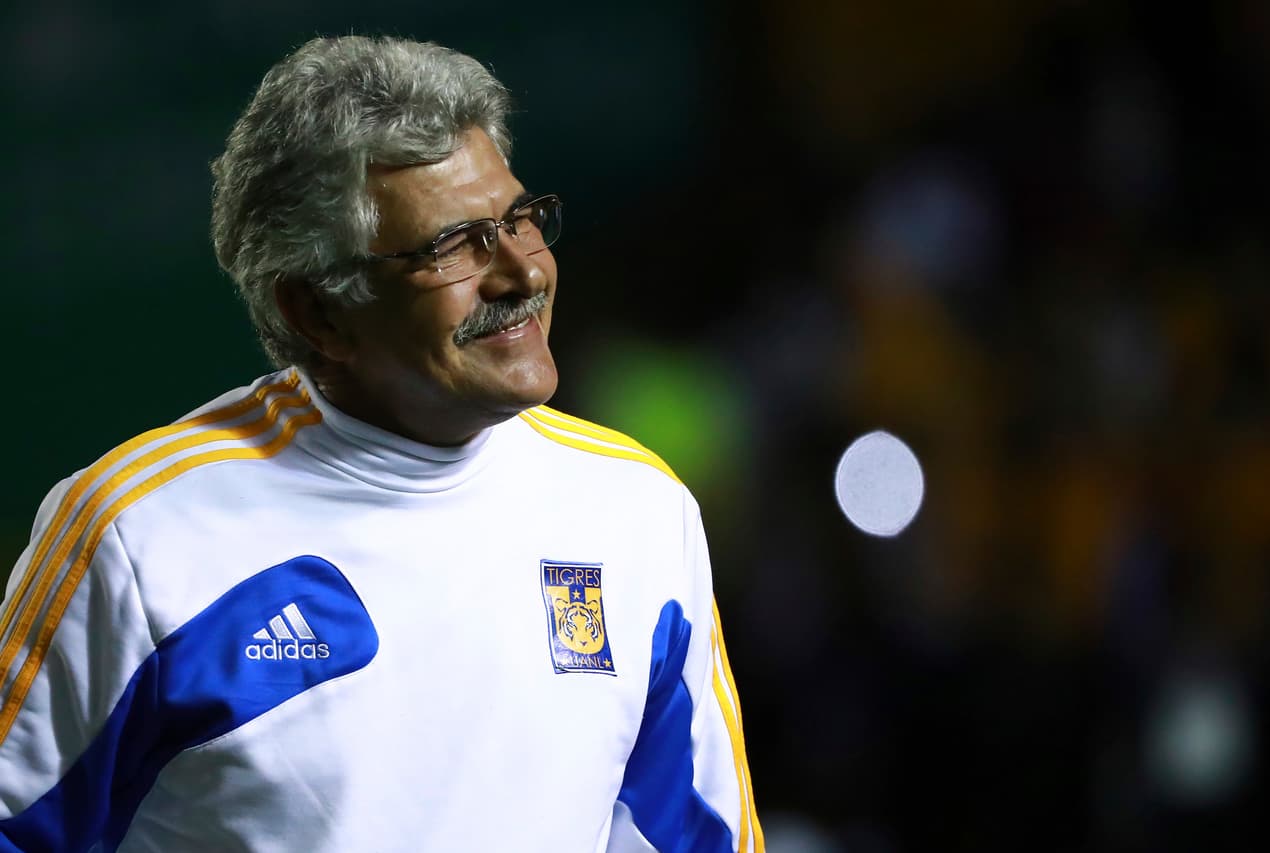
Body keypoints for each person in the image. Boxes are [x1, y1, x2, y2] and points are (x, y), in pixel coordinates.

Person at [0, 35, 763, 852]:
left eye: (520, 220)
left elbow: (703, 837)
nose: (523, 273)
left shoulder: (639, 509)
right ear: (317, 311)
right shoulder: (136, 535)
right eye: (455, 245)